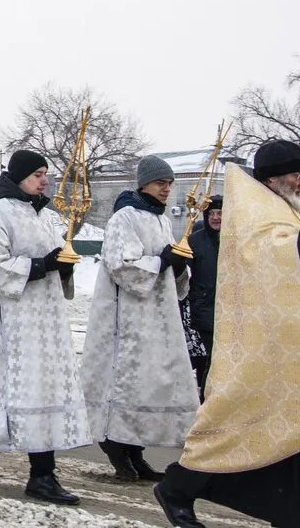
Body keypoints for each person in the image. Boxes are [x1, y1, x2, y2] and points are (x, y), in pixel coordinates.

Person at [155, 146, 300, 528]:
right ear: (273, 177)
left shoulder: (283, 209)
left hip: (294, 339)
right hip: (259, 344)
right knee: (240, 422)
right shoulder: (256, 212)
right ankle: (177, 486)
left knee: (295, 426)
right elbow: (285, 256)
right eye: (297, 174)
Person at [0, 150, 89, 505]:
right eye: (38, 174)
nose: (45, 180)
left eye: (46, 174)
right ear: (20, 176)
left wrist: (65, 265)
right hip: (15, 322)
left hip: (48, 321)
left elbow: (59, 258)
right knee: (25, 394)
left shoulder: (48, 217)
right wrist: (42, 264)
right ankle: (41, 476)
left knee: (43, 392)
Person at [81, 155, 198, 483]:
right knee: (124, 383)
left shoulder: (161, 220)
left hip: (155, 319)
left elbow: (171, 272)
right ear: (144, 183)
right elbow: (122, 266)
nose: (167, 189)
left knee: (146, 385)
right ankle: (115, 445)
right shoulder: (125, 217)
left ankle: (135, 450)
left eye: (170, 183)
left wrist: (177, 265)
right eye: (162, 183)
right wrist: (162, 260)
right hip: (125, 320)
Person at [184, 195, 220, 400]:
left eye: (220, 213)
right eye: (212, 214)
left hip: (230, 309)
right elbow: (185, 274)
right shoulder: (195, 240)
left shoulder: (235, 237)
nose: (215, 218)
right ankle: (207, 401)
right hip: (205, 310)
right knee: (212, 359)